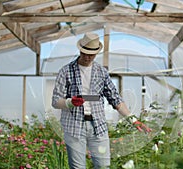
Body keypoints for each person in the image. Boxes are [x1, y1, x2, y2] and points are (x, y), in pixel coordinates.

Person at [51, 32, 151, 169]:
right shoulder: (66, 71)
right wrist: (70, 102)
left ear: (96, 53)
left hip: (98, 126)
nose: (87, 57)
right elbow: (56, 101)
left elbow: (115, 99)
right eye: (84, 53)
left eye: (91, 54)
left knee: (103, 166)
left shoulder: (101, 72)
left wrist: (133, 120)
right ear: (80, 49)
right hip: (73, 126)